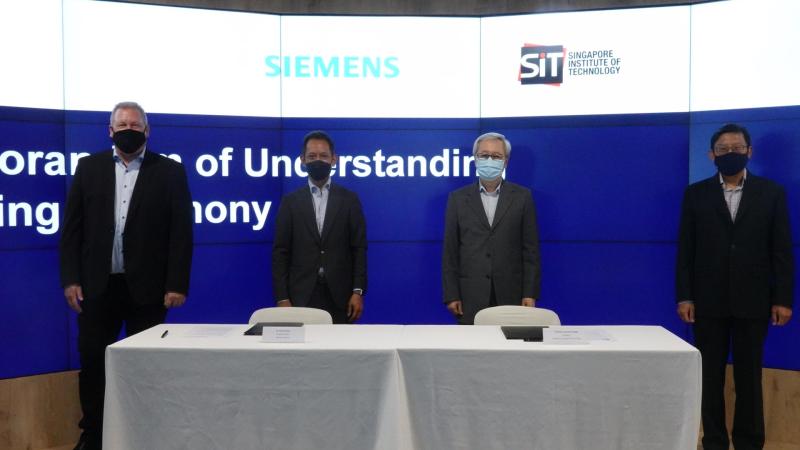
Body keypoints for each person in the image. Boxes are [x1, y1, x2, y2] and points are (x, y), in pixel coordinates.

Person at [59, 101, 194, 450]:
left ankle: (143, 437)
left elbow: (181, 233)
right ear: (110, 131)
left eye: (135, 125)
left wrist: (176, 284)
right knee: (93, 363)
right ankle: (93, 435)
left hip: (148, 290)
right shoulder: (88, 168)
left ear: (147, 130)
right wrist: (71, 279)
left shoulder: (169, 171)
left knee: (145, 367)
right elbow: (72, 229)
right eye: (122, 125)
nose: (128, 130)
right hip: (96, 288)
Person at [676, 123, 793, 450]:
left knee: (749, 377)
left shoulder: (771, 193)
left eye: (737, 147)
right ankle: (713, 441)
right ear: (711, 155)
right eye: (723, 149)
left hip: (754, 301)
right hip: (706, 301)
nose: (731, 153)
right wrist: (684, 295)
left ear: (749, 152)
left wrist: (783, 299)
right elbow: (686, 250)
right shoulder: (695, 194)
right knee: (710, 377)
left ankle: (749, 442)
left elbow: (781, 250)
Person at [442, 132, 541, 324]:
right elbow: (450, 252)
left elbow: (531, 251)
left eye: (496, 156)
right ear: (475, 159)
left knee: (510, 343)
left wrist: (530, 293)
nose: (490, 160)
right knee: (471, 343)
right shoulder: (457, 199)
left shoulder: (522, 197)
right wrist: (451, 294)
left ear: (506, 162)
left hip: (511, 294)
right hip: (470, 295)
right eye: (484, 155)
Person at [272, 130, 367, 324]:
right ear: (302, 160)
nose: (318, 161)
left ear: (334, 159)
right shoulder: (290, 202)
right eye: (312, 156)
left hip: (341, 297)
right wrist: (282, 298)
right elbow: (281, 252)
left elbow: (359, 248)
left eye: (323, 156)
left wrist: (358, 291)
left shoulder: (349, 200)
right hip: (301, 296)